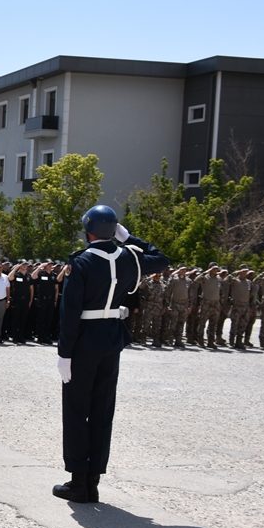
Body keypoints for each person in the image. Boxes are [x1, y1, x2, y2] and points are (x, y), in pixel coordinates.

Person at [54, 205, 168, 503]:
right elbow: (162, 259)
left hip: (83, 344)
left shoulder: (81, 261)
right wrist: (131, 238)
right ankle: (93, 481)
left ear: (87, 229)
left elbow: (70, 312)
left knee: (78, 410)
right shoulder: (129, 257)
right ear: (113, 230)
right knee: (103, 411)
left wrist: (64, 353)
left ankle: (79, 481)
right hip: (111, 340)